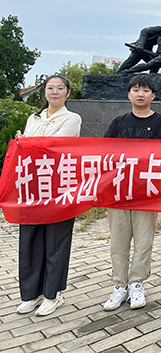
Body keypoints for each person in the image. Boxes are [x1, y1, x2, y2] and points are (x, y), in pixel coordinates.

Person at [103, 75, 161, 311]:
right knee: (119, 241)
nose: (140, 94)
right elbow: (104, 154)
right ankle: (119, 285)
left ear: (153, 95)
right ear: (129, 94)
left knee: (144, 241)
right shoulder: (118, 123)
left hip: (147, 192)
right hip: (118, 192)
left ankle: (136, 283)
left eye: (145, 90)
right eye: (135, 90)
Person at [14, 75, 82, 316]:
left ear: (67, 93)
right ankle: (31, 294)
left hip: (59, 187)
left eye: (60, 88)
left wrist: (27, 142)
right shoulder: (33, 118)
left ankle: (53, 295)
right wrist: (23, 141)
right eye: (50, 88)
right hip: (32, 186)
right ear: (44, 92)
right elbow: (27, 148)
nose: (55, 92)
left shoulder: (72, 118)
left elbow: (53, 146)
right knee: (30, 239)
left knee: (56, 241)